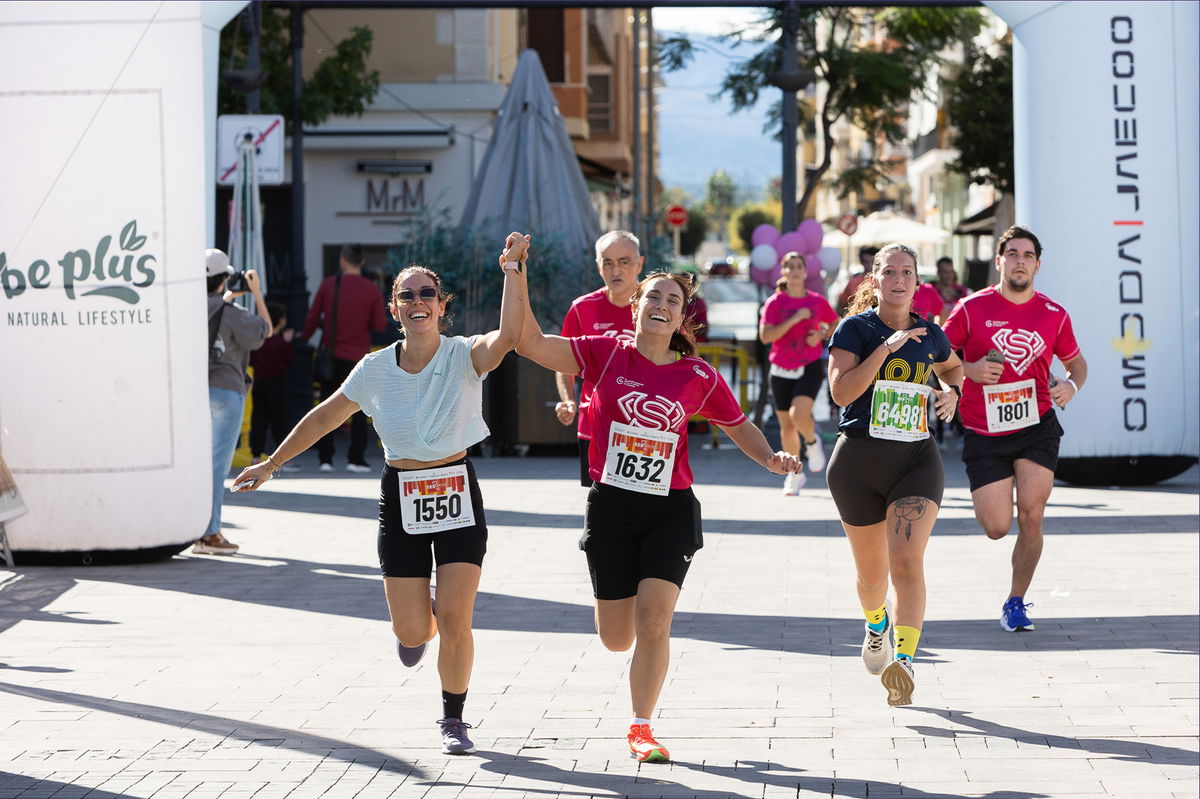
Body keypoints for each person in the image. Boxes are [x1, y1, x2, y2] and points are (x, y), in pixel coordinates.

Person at [232, 235, 527, 755]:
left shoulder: (464, 355)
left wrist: (514, 270)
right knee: (414, 632)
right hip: (401, 494)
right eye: (407, 295)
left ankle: (453, 718)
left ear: (442, 305)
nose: (418, 302)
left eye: (427, 293)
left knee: (458, 619)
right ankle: (419, 621)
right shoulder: (374, 369)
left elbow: (508, 336)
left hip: (456, 488)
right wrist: (273, 464)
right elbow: (326, 416)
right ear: (394, 308)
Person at [514, 245, 801, 763]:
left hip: (670, 508)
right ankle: (627, 670)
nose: (661, 304)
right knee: (616, 638)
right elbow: (530, 342)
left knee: (654, 620)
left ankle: (641, 727)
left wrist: (772, 460)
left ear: (680, 316)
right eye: (653, 296)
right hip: (611, 509)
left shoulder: (698, 376)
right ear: (637, 306)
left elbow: (739, 426)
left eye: (672, 299)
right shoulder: (605, 352)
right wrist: (515, 273)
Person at [825, 242, 963, 706]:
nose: (898, 280)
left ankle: (903, 661)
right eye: (889, 273)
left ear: (917, 282)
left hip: (915, 460)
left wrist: (952, 392)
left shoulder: (931, 333)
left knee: (906, 560)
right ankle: (876, 624)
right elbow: (842, 394)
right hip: (858, 464)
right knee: (871, 578)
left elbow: (953, 367)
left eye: (907, 272)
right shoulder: (854, 330)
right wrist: (884, 350)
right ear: (875, 279)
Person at [942, 226, 1087, 633]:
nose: (1020, 260)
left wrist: (1069, 387)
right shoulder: (971, 309)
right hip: (983, 431)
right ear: (999, 260)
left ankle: (1016, 601)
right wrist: (968, 370)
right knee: (996, 527)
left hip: (1036, 424)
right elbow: (939, 355)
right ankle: (1013, 593)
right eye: (1012, 253)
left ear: (1037, 264)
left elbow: (1078, 365)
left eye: (1027, 255)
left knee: (1032, 514)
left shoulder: (1053, 314)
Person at [554, 231, 640, 487]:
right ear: (598, 266)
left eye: (624, 262)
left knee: (643, 506)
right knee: (598, 503)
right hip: (594, 425)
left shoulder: (659, 308)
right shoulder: (582, 308)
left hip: (643, 426)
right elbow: (563, 360)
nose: (616, 270)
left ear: (639, 264)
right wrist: (568, 400)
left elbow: (682, 359)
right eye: (608, 262)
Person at [200, 249, 270, 556]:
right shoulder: (229, 313)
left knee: (200, 465)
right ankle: (210, 533)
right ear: (223, 278)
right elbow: (263, 331)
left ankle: (197, 528)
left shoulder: (190, 308)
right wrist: (256, 292)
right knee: (217, 465)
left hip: (195, 392)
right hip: (226, 391)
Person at [302, 243, 389, 473]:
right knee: (360, 408)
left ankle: (325, 459)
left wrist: (303, 337)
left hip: (332, 355)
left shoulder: (329, 285)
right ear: (361, 262)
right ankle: (356, 459)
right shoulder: (370, 289)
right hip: (359, 357)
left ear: (342, 260)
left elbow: (311, 319)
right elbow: (379, 324)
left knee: (327, 407)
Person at [758, 252, 839, 494]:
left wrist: (822, 334)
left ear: (805, 272)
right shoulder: (775, 302)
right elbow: (766, 337)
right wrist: (794, 319)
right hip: (781, 367)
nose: (794, 270)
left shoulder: (816, 301)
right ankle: (794, 474)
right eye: (789, 266)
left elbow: (836, 323)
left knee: (798, 413)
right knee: (787, 425)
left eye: (798, 266)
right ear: (783, 272)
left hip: (809, 365)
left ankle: (813, 444)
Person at [249, 302, 298, 471]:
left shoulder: (259, 340)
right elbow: (288, 361)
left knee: (259, 421)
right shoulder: (280, 342)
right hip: (276, 383)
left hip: (259, 383)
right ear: (281, 320)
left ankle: (255, 456)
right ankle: (283, 458)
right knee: (279, 421)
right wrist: (287, 342)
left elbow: (252, 360)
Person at [836, 245, 879, 315]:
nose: (870, 265)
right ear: (862, 262)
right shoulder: (855, 282)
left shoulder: (887, 280)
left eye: (873, 262)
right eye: (866, 262)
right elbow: (841, 305)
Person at [932, 256, 971, 324]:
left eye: (951, 271)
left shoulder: (964, 291)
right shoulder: (931, 291)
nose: (949, 275)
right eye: (945, 272)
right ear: (938, 272)